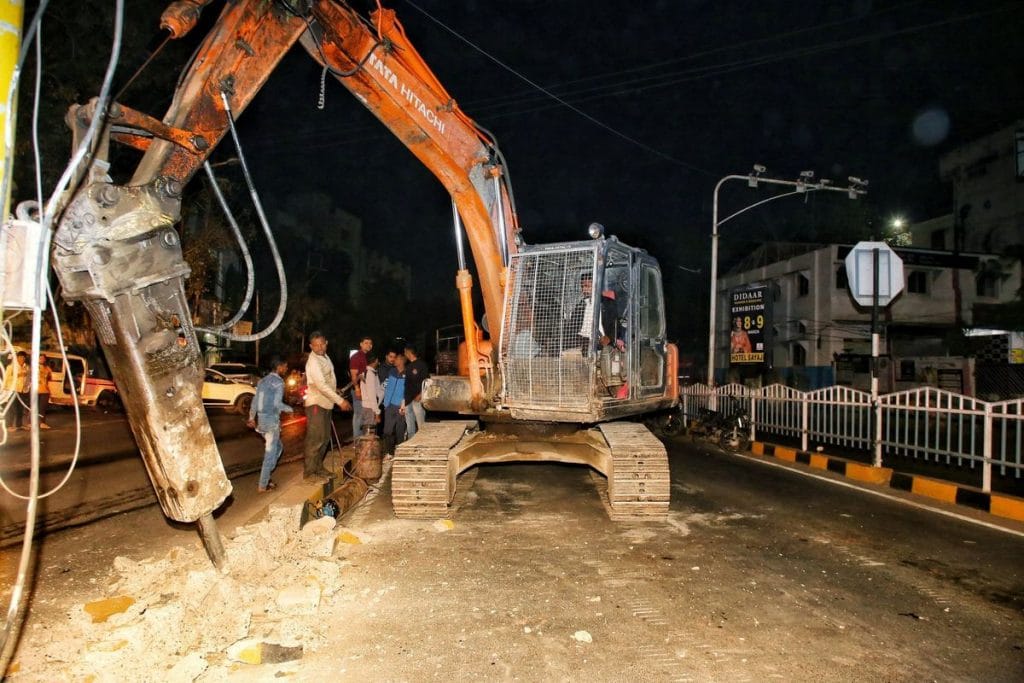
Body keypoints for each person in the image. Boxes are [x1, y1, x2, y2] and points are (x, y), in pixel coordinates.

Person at [304, 331, 351, 480]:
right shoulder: (313, 361)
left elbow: (328, 380)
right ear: (311, 346)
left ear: (326, 343)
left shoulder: (325, 357)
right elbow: (321, 385)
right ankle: (309, 472)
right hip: (316, 402)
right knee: (315, 438)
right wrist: (340, 401)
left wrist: (335, 391)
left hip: (326, 403)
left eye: (322, 344)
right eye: (316, 345)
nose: (319, 347)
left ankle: (318, 468)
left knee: (324, 438)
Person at [248, 357, 293, 492]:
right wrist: (290, 409)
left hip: (261, 422)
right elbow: (277, 404)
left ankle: (266, 477)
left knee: (278, 448)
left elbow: (255, 401)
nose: (286, 369)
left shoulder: (262, 381)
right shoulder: (279, 382)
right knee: (270, 453)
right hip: (271, 423)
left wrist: (251, 417)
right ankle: (263, 485)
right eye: (285, 366)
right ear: (279, 366)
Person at [381, 354, 407, 456]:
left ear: (402, 361)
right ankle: (389, 452)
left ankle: (400, 453)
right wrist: (385, 403)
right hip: (389, 405)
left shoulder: (407, 373)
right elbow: (387, 387)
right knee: (387, 431)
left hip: (400, 406)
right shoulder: (391, 371)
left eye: (397, 358)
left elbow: (407, 391)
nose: (394, 360)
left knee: (400, 431)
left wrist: (404, 404)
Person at [349, 336, 373, 440]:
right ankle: (357, 440)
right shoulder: (356, 356)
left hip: (366, 390)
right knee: (358, 414)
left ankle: (363, 439)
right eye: (366, 343)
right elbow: (353, 374)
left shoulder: (368, 357)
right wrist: (357, 389)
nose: (368, 345)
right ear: (361, 344)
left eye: (370, 343)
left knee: (365, 414)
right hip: (358, 389)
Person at [403, 344, 429, 438]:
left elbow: (428, 382)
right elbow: (407, 384)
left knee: (421, 425)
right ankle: (411, 444)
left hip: (418, 399)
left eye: (405, 351)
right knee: (410, 426)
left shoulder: (422, 365)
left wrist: (421, 394)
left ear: (409, 352)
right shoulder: (409, 366)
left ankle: (422, 444)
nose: (404, 354)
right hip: (408, 400)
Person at [359, 353, 385, 436]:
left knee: (369, 434)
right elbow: (372, 395)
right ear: (376, 360)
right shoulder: (370, 374)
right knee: (369, 435)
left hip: (369, 406)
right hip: (370, 408)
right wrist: (377, 412)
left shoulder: (369, 372)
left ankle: (367, 448)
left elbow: (376, 390)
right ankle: (366, 449)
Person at [3, 351, 30, 430]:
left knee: (20, 409)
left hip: (22, 390)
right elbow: (6, 378)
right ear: (17, 358)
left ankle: (19, 424)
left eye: (24, 357)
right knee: (11, 408)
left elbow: (28, 379)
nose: (22, 359)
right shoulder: (11, 367)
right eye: (20, 357)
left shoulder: (27, 367)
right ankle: (9, 425)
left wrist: (28, 387)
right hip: (12, 390)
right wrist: (5, 391)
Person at [36, 354, 52, 430]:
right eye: (40, 358)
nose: (41, 359)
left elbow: (50, 378)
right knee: (34, 407)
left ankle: (42, 423)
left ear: (45, 360)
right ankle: (31, 423)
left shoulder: (47, 368)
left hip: (45, 390)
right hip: (35, 390)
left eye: (43, 358)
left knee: (42, 408)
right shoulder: (34, 367)